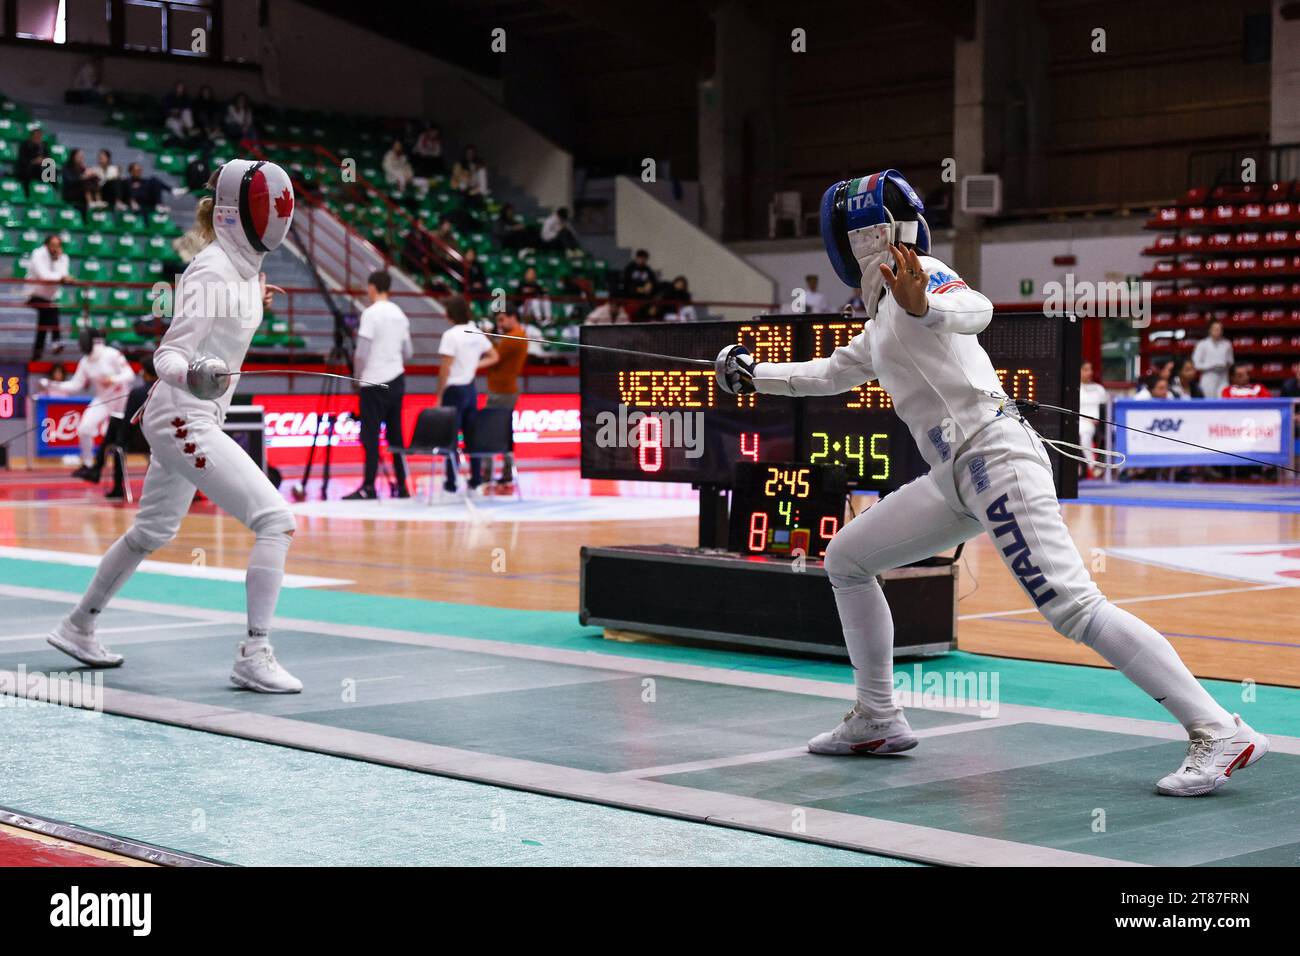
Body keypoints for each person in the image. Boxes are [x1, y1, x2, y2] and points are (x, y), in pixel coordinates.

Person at [715, 168, 1267, 797]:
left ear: (856, 239)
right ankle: (877, 717)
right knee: (846, 557)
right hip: (954, 476)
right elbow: (832, 373)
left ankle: (1218, 728)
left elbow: (977, 309)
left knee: (1074, 606)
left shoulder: (922, 282)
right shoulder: (880, 321)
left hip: (994, 459)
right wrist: (755, 374)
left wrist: (927, 302)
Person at [46, 159, 304, 694]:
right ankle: (254, 653)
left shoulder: (243, 272)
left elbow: (226, 319)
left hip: (191, 415)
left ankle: (78, 626)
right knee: (275, 520)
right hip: (183, 415)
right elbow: (168, 356)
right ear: (243, 212)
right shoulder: (209, 269)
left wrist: (254, 301)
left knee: (152, 531)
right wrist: (195, 371)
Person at [345, 270, 412, 500]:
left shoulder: (371, 314)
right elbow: (408, 352)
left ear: (372, 287)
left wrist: (356, 377)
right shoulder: (400, 314)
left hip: (373, 380)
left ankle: (369, 486)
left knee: (370, 436)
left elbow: (361, 353)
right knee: (396, 436)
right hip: (396, 379)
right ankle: (403, 485)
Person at [41, 327, 135, 479]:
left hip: (122, 401)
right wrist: (52, 384)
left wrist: (113, 379)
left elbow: (129, 375)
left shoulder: (112, 354)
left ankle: (119, 477)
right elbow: (75, 385)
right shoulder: (85, 362)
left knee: (120, 440)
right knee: (84, 429)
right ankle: (88, 465)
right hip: (103, 400)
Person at [436, 295, 497, 493]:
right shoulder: (475, 332)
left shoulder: (450, 335)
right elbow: (494, 356)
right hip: (471, 389)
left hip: (454, 389)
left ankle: (451, 482)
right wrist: (473, 366)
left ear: (450, 313)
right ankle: (476, 479)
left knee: (450, 438)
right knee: (472, 436)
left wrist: (439, 393)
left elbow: (445, 369)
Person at [484, 302, 529, 492]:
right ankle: (506, 471)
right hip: (504, 389)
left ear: (513, 317)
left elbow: (494, 357)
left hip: (502, 391)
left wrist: (484, 340)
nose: (500, 324)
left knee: (488, 432)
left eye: (502, 319)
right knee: (503, 432)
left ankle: (487, 472)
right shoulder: (516, 336)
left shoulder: (513, 338)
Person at [101, 353, 157, 500]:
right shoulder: (169, 391)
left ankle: (116, 487)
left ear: (144, 372)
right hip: (163, 441)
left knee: (117, 437)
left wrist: (119, 439)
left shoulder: (137, 393)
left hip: (139, 443)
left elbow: (128, 423)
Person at [26, 234, 76, 360]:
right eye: (52, 245)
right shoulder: (38, 254)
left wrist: (57, 260)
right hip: (33, 295)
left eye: (57, 245)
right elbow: (44, 276)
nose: (55, 248)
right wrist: (61, 278)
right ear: (46, 245)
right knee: (51, 310)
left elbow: (64, 275)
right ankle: (56, 341)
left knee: (44, 319)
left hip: (50, 298)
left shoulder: (63, 257)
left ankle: (37, 353)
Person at [1077, 360, 1108, 478]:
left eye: (1090, 369)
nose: (1089, 372)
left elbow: (1105, 409)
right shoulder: (1075, 388)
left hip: (1099, 423)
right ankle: (1093, 466)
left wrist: (1100, 420)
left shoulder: (1099, 388)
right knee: (1084, 432)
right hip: (1081, 422)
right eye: (1085, 369)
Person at [1192, 319, 1233, 401]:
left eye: (1220, 329)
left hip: (1223, 377)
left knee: (1223, 400)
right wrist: (1212, 365)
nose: (1218, 331)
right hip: (1208, 377)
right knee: (1208, 402)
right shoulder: (1202, 344)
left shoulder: (1227, 344)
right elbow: (1196, 364)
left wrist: (1224, 365)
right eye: (1216, 329)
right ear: (1210, 330)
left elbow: (1231, 362)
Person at [622, 249, 658, 321]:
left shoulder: (647, 269)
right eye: (641, 258)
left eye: (644, 259)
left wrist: (650, 285)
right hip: (631, 297)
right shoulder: (629, 268)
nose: (642, 261)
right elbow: (626, 282)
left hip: (644, 298)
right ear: (637, 258)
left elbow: (653, 281)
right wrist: (637, 289)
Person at [15, 128, 48, 194]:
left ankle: (49, 191)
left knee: (52, 170)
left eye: (40, 136)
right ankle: (27, 192)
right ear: (32, 136)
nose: (38, 138)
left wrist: (43, 160)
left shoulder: (43, 146)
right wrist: (33, 161)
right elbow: (22, 159)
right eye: (36, 136)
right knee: (29, 169)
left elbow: (48, 158)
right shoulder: (25, 145)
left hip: (40, 167)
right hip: (27, 168)